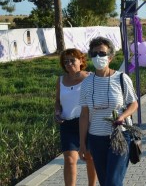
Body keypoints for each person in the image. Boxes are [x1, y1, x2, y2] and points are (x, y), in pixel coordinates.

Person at [79, 36, 139, 186]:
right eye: (94, 54)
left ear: (110, 57)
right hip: (96, 138)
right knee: (106, 182)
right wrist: (82, 144)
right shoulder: (86, 83)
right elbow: (84, 115)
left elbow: (134, 104)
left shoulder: (121, 79)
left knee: (112, 182)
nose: (97, 57)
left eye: (101, 53)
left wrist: (123, 116)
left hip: (119, 135)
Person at [55, 48, 97, 186]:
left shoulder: (90, 77)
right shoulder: (60, 80)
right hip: (67, 124)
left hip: (87, 123)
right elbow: (57, 102)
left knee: (90, 157)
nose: (69, 64)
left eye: (72, 60)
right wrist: (57, 112)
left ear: (81, 61)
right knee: (70, 159)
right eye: (65, 61)